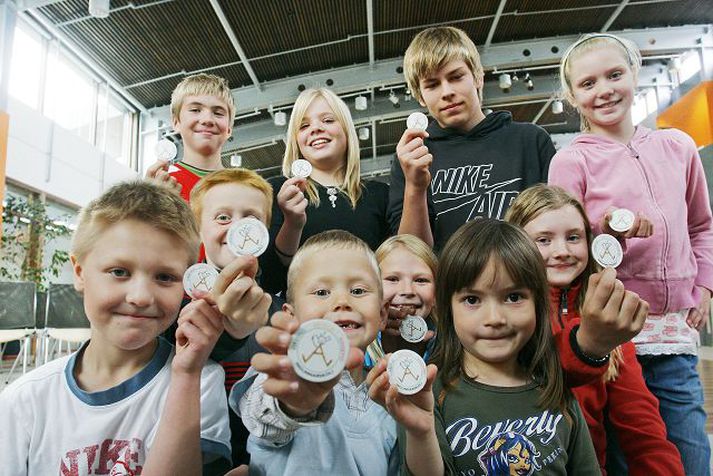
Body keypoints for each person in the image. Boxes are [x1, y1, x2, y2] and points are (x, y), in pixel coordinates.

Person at [549, 32, 713, 474]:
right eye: (588, 83)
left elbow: (701, 225)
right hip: (614, 334)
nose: (604, 90)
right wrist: (608, 234)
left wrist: (704, 284)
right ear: (571, 96)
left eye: (614, 74)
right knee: (626, 453)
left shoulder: (677, 147)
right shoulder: (571, 162)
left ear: (635, 75)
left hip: (675, 330)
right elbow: (567, 252)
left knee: (690, 450)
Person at [0, 181, 231, 474]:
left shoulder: (200, 381)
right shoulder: (23, 402)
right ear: (80, 273)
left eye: (165, 277)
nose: (140, 297)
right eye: (119, 272)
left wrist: (186, 374)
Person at [368, 219, 599, 475]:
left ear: (538, 303)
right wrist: (421, 433)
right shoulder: (427, 393)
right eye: (472, 299)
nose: (494, 318)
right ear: (447, 309)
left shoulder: (555, 385)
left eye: (513, 297)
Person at [506, 184, 684, 475]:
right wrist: (587, 344)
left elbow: (641, 426)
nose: (561, 251)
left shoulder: (607, 315)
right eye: (543, 240)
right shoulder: (504, 313)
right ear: (515, 245)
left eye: (573, 237)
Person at [231, 230, 399, 475]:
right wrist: (295, 404)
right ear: (291, 315)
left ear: (382, 314)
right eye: (321, 292)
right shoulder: (282, 369)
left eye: (358, 291)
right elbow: (262, 419)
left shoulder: (388, 392)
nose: (342, 301)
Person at [387, 26, 555, 250]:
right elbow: (412, 253)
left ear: (478, 77)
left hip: (524, 281)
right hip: (451, 285)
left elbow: (556, 228)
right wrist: (415, 187)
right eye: (432, 84)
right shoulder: (412, 157)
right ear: (420, 96)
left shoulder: (531, 141)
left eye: (456, 77)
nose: (447, 92)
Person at [184, 168, 278, 466]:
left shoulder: (280, 310)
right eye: (223, 217)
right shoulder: (175, 305)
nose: (238, 229)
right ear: (199, 228)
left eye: (251, 219)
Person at [260, 88, 390, 294]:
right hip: (301, 320)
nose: (316, 129)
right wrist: (291, 224)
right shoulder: (276, 190)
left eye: (328, 120)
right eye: (304, 125)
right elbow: (270, 279)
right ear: (296, 140)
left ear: (347, 130)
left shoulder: (380, 194)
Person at [146, 73, 234, 201]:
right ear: (176, 122)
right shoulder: (162, 183)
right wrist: (147, 205)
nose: (207, 120)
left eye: (218, 113)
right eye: (195, 110)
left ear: (229, 129)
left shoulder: (245, 186)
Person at [365, 234, 437, 367]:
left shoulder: (451, 349)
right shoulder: (357, 342)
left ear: (436, 295)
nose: (408, 291)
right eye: (392, 279)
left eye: (421, 280)